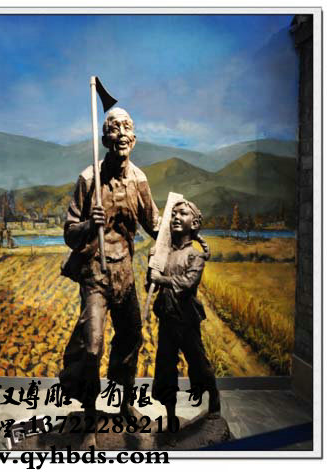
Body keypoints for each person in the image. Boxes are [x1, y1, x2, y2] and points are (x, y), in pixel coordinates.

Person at [59, 107, 160, 448]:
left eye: (127, 128)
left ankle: (125, 401)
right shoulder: (89, 179)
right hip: (95, 274)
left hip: (125, 275)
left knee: (131, 337)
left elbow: (154, 223)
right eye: (114, 129)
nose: (121, 134)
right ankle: (89, 414)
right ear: (104, 139)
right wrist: (91, 224)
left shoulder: (139, 180)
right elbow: (70, 232)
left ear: (134, 139)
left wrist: (183, 232)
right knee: (92, 347)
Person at [147, 200, 220, 430]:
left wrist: (161, 279)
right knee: (165, 368)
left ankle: (214, 398)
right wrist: (152, 266)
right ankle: (171, 417)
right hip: (167, 319)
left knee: (198, 362)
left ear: (194, 223)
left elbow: (187, 283)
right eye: (174, 214)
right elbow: (150, 286)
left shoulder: (195, 257)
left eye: (183, 213)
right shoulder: (164, 254)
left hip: (187, 319)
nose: (176, 217)